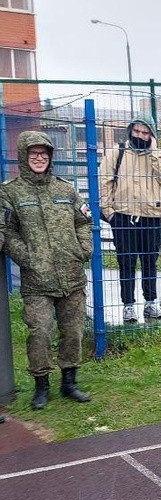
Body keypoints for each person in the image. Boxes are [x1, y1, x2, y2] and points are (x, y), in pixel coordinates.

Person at [0, 131, 93, 409]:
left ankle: (69, 383)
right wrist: (26, 257)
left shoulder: (66, 189)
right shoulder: (10, 193)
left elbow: (83, 221)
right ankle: (41, 385)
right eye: (33, 154)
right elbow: (8, 231)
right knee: (39, 333)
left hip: (72, 275)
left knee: (73, 331)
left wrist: (83, 249)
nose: (39, 158)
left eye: (44, 154)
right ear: (23, 157)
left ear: (50, 156)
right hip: (36, 280)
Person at [99, 116, 161, 324]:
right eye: (137, 132)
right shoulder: (117, 153)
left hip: (153, 216)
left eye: (145, 133)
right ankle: (128, 305)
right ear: (130, 131)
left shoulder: (159, 155)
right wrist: (109, 213)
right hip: (124, 216)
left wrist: (154, 152)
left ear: (151, 135)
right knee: (126, 262)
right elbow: (105, 183)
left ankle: (150, 302)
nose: (140, 136)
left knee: (150, 261)